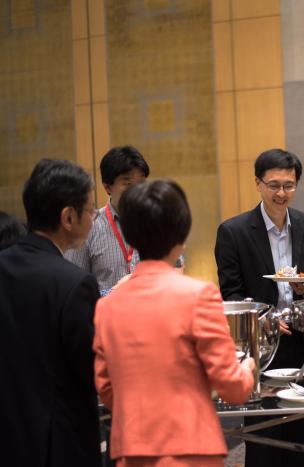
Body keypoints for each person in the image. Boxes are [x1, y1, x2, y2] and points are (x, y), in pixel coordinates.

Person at [94, 179, 255, 467]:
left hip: (132, 451)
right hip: (191, 450)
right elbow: (232, 388)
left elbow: (106, 389)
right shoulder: (199, 296)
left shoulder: (106, 307)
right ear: (181, 233)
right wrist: (248, 368)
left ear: (130, 235)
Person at [215, 148, 304, 467]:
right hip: (260, 346)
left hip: (300, 341)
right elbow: (231, 294)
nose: (281, 193)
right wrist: (264, 318)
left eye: (289, 185)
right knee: (264, 438)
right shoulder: (234, 232)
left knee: (301, 436)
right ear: (258, 184)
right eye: (274, 185)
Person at [0, 159, 101, 466]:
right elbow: (90, 371)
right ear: (68, 217)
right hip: (58, 445)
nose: (94, 218)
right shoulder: (74, 283)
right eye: (90, 211)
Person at [65, 145, 150, 294]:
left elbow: (176, 269)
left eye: (141, 183)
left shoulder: (156, 220)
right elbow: (74, 286)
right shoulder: (89, 227)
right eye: (128, 184)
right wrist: (112, 293)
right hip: (106, 308)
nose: (137, 191)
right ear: (108, 187)